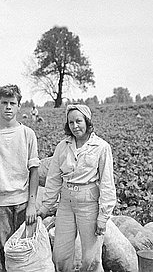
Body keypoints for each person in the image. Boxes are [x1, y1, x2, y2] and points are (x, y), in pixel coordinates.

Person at [37, 104, 116, 272]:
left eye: (78, 121)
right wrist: (46, 206)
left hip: (89, 202)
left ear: (87, 122)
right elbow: (53, 179)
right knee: (60, 254)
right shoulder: (62, 146)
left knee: (90, 258)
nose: (75, 126)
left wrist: (103, 216)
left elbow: (107, 183)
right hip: (66, 202)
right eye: (71, 122)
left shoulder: (101, 147)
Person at [0, 84, 40, 271]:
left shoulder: (27, 134)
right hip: (0, 203)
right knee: (5, 249)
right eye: (4, 103)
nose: (8, 107)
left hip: (23, 202)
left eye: (13, 103)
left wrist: (31, 204)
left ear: (19, 106)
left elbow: (34, 171)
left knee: (26, 248)